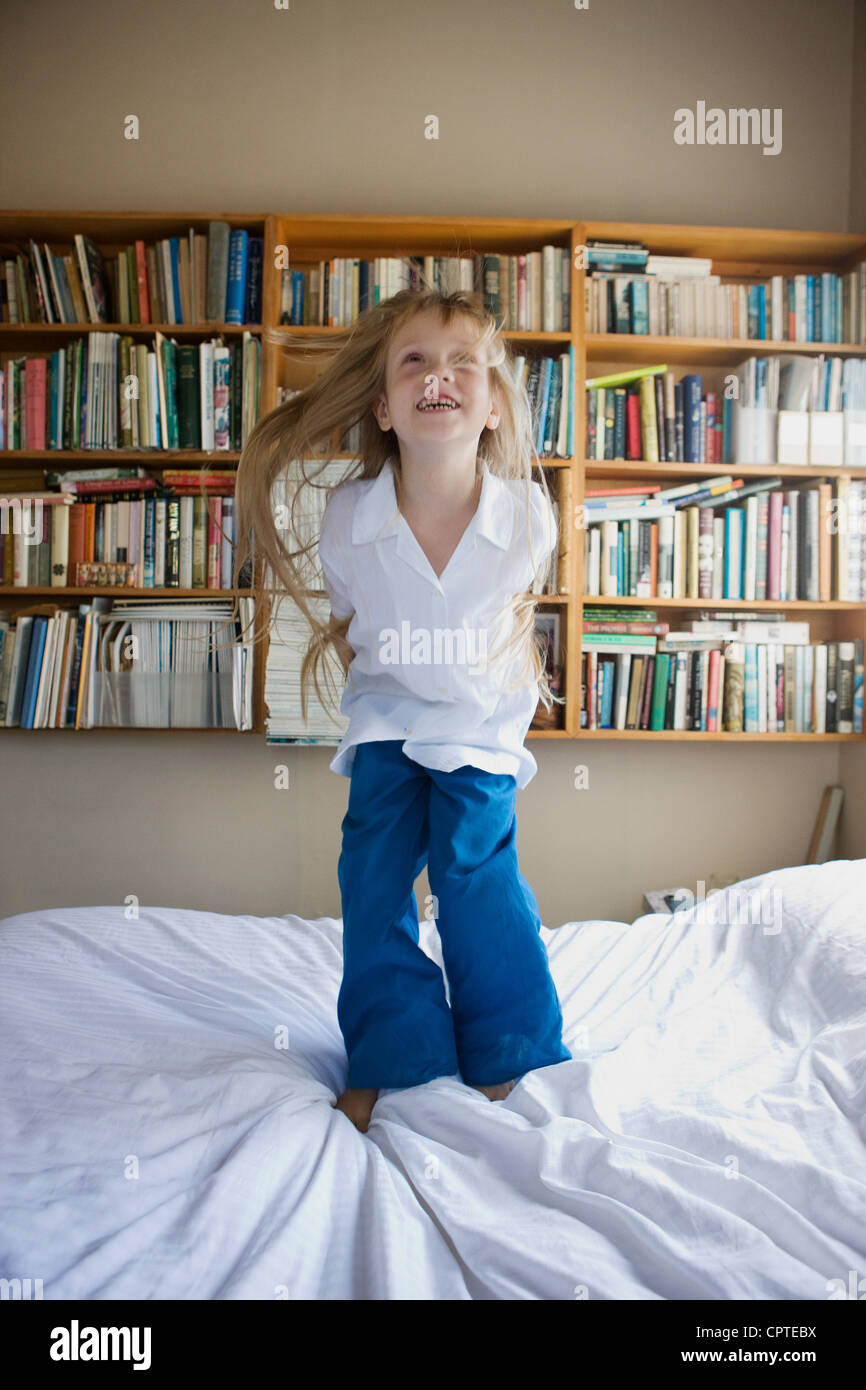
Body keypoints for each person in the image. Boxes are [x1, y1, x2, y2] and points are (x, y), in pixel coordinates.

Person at [233, 281, 571, 1133]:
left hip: (480, 730)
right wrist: (392, 676)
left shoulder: (528, 516)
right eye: (415, 361)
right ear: (383, 406)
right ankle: (397, 1053)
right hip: (387, 722)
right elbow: (351, 622)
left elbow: (512, 621)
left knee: (473, 875)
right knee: (371, 876)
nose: (439, 375)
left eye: (464, 364)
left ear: (492, 406)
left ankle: (508, 1048)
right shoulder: (350, 515)